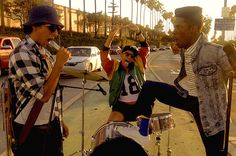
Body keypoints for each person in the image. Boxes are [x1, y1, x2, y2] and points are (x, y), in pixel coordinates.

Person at [137, 6, 233, 156]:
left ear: (193, 28)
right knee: (149, 87)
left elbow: (232, 71)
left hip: (210, 111)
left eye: (178, 27)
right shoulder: (185, 47)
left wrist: (232, 58)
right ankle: (142, 130)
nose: (173, 31)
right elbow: (179, 48)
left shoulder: (216, 51)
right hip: (187, 97)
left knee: (214, 153)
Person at [8, 5, 71, 156]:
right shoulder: (21, 54)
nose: (55, 33)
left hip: (51, 125)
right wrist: (59, 64)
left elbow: (53, 90)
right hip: (31, 129)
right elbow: (43, 95)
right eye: (52, 28)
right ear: (35, 26)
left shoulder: (45, 53)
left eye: (58, 29)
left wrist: (59, 121)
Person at [101, 24, 152, 122]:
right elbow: (104, 55)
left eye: (132, 56)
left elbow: (145, 48)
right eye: (127, 54)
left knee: (143, 133)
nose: (129, 57)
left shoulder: (139, 64)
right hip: (121, 107)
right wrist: (111, 36)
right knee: (111, 129)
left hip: (140, 105)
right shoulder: (113, 67)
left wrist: (138, 32)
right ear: (121, 54)